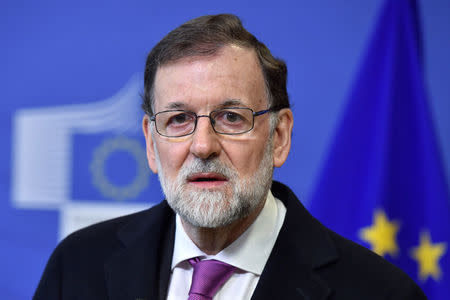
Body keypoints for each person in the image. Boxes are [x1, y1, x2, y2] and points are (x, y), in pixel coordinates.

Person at [33, 14, 426, 300]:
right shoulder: (77, 266)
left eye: (231, 117)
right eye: (179, 119)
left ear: (279, 136)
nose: (203, 146)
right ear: (152, 144)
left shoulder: (382, 293)